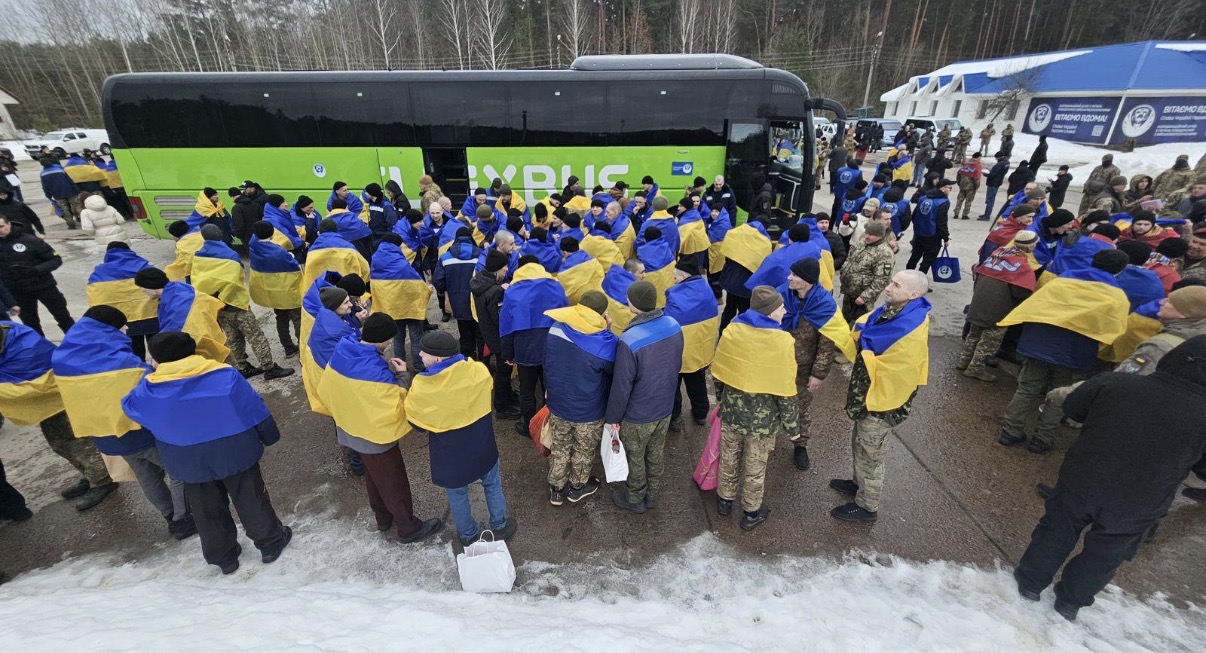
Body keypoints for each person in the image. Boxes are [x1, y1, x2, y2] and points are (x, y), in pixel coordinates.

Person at [1013, 337, 1206, 622]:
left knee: (1057, 530)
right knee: (1107, 553)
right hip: (1142, 499)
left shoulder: (1116, 383)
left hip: (1084, 478)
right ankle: (1071, 601)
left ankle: (1030, 582)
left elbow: (1073, 408)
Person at [122, 332, 292, 575]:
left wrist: (150, 374)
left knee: (205, 508)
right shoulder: (225, 374)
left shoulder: (150, 388)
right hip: (235, 449)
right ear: (193, 350)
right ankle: (270, 543)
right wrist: (269, 435)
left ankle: (224, 557)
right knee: (251, 497)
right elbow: (253, 407)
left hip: (187, 457)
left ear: (157, 360)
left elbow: (131, 407)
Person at [51, 306, 195, 537]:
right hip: (141, 432)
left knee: (147, 477)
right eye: (122, 327)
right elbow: (151, 389)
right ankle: (183, 519)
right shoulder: (121, 363)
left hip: (107, 436)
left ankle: (169, 515)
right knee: (181, 470)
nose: (126, 330)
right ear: (108, 328)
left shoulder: (62, 358)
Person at [318, 314, 443, 543]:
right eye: (388, 341)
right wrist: (403, 375)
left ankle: (383, 517)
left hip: (351, 427)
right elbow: (394, 404)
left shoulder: (343, 349)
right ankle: (408, 527)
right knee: (393, 480)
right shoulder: (375, 372)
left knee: (374, 475)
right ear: (381, 340)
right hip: (374, 435)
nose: (389, 344)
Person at [997, 250, 1131, 453]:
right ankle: (1042, 439)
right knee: (1059, 395)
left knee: (1026, 389)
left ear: (1093, 261)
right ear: (1120, 270)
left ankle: (1010, 431)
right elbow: (1115, 330)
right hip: (1075, 352)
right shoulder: (1117, 297)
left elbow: (1035, 305)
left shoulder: (1061, 281)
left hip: (1039, 343)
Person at [830, 270, 932, 522]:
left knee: (871, 453)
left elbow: (900, 367)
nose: (888, 287)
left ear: (913, 294)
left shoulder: (909, 326)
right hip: (870, 395)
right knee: (860, 443)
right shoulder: (896, 311)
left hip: (882, 403)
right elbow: (870, 325)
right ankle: (858, 483)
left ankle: (867, 506)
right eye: (891, 282)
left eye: (896, 285)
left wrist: (864, 349)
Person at [404, 330, 516, 546]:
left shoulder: (423, 387)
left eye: (423, 353)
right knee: (492, 484)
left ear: (438, 359)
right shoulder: (477, 370)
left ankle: (468, 535)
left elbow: (417, 424)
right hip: (482, 445)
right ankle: (500, 525)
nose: (419, 355)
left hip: (451, 454)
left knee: (458, 495)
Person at [0, 320, 116, 510]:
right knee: (59, 444)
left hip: (59, 398)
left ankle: (103, 480)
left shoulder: (25, 347)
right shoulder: (7, 331)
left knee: (78, 441)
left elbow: (34, 387)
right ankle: (90, 475)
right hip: (46, 405)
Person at [710, 286, 796, 531]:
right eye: (781, 308)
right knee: (755, 467)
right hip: (763, 423)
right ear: (769, 312)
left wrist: (722, 400)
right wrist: (792, 426)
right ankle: (751, 512)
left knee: (729, 457)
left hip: (732, 414)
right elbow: (785, 390)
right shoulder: (782, 341)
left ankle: (725, 500)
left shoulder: (732, 330)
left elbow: (719, 372)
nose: (784, 311)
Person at [605, 280, 684, 514]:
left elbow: (622, 385)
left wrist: (613, 417)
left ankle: (634, 497)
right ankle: (653, 494)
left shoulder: (629, 339)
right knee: (655, 452)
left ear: (634, 304)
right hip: (664, 406)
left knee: (635, 456)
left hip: (638, 413)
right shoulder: (674, 325)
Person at [779, 258, 855, 471]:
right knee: (770, 403)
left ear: (808, 280)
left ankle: (800, 444)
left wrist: (818, 374)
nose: (789, 278)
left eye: (795, 275)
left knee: (800, 407)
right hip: (777, 364)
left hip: (803, 368)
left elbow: (826, 345)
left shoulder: (825, 306)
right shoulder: (782, 295)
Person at [542, 291, 617, 506]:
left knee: (560, 446)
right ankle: (577, 488)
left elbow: (546, 361)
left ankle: (557, 489)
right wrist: (607, 330)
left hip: (558, 403)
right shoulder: (606, 343)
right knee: (583, 450)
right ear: (602, 314)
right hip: (589, 410)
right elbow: (613, 370)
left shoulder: (556, 328)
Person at [192, 226, 294, 380]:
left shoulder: (198, 256)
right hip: (236, 304)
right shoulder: (229, 255)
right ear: (220, 235)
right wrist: (226, 297)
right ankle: (269, 368)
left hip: (216, 305)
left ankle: (242, 367)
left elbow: (197, 281)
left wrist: (217, 301)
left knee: (233, 337)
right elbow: (234, 280)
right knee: (255, 336)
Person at [500, 257, 569, 433]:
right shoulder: (556, 286)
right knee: (550, 389)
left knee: (527, 390)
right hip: (552, 345)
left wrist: (508, 354)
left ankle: (529, 426)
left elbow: (506, 325)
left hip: (525, 347)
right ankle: (547, 426)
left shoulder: (513, 291)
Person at [961, 231, 1040, 382]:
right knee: (990, 340)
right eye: (1035, 244)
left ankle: (964, 361)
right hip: (997, 308)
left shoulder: (997, 254)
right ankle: (975, 368)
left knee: (974, 334)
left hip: (979, 302)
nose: (1035, 246)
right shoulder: (1022, 265)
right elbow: (1020, 292)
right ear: (1028, 247)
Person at [663, 259, 720, 432]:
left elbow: (668, 321)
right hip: (699, 352)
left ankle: (674, 418)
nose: (673, 281)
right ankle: (700, 414)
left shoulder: (675, 295)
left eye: (675, 277)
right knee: (698, 384)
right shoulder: (706, 290)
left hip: (677, 353)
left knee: (673, 388)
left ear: (683, 277)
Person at [134, 267, 229, 363]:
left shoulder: (177, 307)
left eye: (142, 287)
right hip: (212, 337)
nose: (142, 290)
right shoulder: (179, 289)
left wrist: (158, 356)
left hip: (200, 348)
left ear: (151, 286)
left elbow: (171, 337)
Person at [0, 215, 74, 337]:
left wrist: (35, 270)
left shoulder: (30, 240)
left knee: (63, 317)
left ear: (9, 224)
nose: (0, 230)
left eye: (1, 226)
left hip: (43, 285)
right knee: (30, 323)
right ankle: (39, 346)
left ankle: (75, 341)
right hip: (18, 291)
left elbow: (55, 260)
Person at [86, 242, 159, 359]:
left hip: (123, 321)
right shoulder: (147, 268)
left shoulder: (98, 275)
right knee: (158, 351)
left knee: (134, 353)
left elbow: (95, 298)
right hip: (152, 317)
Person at [471, 249, 520, 420]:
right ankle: (502, 406)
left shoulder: (479, 282)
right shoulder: (495, 291)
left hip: (488, 334)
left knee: (502, 369)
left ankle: (507, 396)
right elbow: (501, 319)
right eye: (504, 266)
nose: (507, 269)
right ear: (497, 269)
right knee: (503, 370)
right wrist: (503, 292)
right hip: (499, 338)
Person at [371, 232, 431, 368]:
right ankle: (419, 366)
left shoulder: (375, 261)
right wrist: (428, 290)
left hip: (391, 309)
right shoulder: (401, 263)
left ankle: (400, 366)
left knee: (397, 338)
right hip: (410, 307)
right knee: (416, 337)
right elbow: (417, 285)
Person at [247, 221, 302, 357]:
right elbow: (294, 265)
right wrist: (291, 257)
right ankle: (302, 345)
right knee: (297, 318)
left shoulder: (253, 246)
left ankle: (288, 347)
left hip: (273, 292)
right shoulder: (278, 252)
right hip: (287, 290)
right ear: (272, 234)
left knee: (281, 318)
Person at [433, 227, 482, 359]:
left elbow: (438, 281)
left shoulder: (445, 257)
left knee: (465, 336)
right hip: (478, 301)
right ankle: (483, 363)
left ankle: (467, 360)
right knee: (481, 334)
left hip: (458, 302)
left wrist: (450, 289)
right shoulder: (481, 255)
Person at [718, 216, 774, 330]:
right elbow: (764, 266)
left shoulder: (738, 232)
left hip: (732, 280)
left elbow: (727, 252)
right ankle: (740, 334)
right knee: (744, 313)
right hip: (748, 285)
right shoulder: (765, 242)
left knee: (729, 309)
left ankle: (722, 334)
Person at [839, 221, 895, 324]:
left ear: (880, 236)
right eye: (866, 233)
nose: (867, 236)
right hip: (849, 292)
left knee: (856, 324)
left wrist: (864, 297)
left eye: (871, 234)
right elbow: (850, 258)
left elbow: (883, 279)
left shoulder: (885, 254)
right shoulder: (863, 243)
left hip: (862, 299)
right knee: (843, 321)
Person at [303, 218, 371, 293]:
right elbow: (365, 268)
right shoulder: (349, 248)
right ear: (336, 230)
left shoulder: (312, 251)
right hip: (347, 292)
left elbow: (308, 275)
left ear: (319, 233)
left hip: (320, 293)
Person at [903, 179, 952, 274]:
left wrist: (918, 227)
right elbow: (941, 222)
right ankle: (920, 278)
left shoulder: (923, 198)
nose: (950, 190)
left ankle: (907, 275)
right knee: (928, 259)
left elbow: (914, 215)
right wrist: (945, 237)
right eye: (949, 188)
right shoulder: (943, 202)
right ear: (943, 189)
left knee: (915, 255)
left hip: (919, 232)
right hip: (933, 235)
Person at [39, 157, 81, 229]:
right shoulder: (60, 169)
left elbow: (45, 186)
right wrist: (76, 189)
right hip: (69, 191)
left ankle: (71, 224)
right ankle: (84, 220)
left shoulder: (43, 174)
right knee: (77, 206)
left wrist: (48, 195)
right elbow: (69, 180)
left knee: (64, 209)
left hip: (57, 194)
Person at [979, 152, 1010, 220]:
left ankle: (987, 215)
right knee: (991, 199)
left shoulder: (1000, 164)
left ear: (999, 157)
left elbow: (992, 174)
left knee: (990, 200)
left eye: (996, 158)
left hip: (993, 183)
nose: (996, 159)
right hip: (998, 182)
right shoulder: (1007, 163)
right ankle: (986, 214)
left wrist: (984, 173)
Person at [953, 152, 982, 220]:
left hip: (962, 185)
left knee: (959, 200)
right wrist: (976, 187)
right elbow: (976, 178)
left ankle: (956, 213)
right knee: (968, 201)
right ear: (978, 157)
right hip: (971, 187)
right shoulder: (977, 165)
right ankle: (965, 215)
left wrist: (959, 183)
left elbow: (958, 174)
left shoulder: (965, 164)